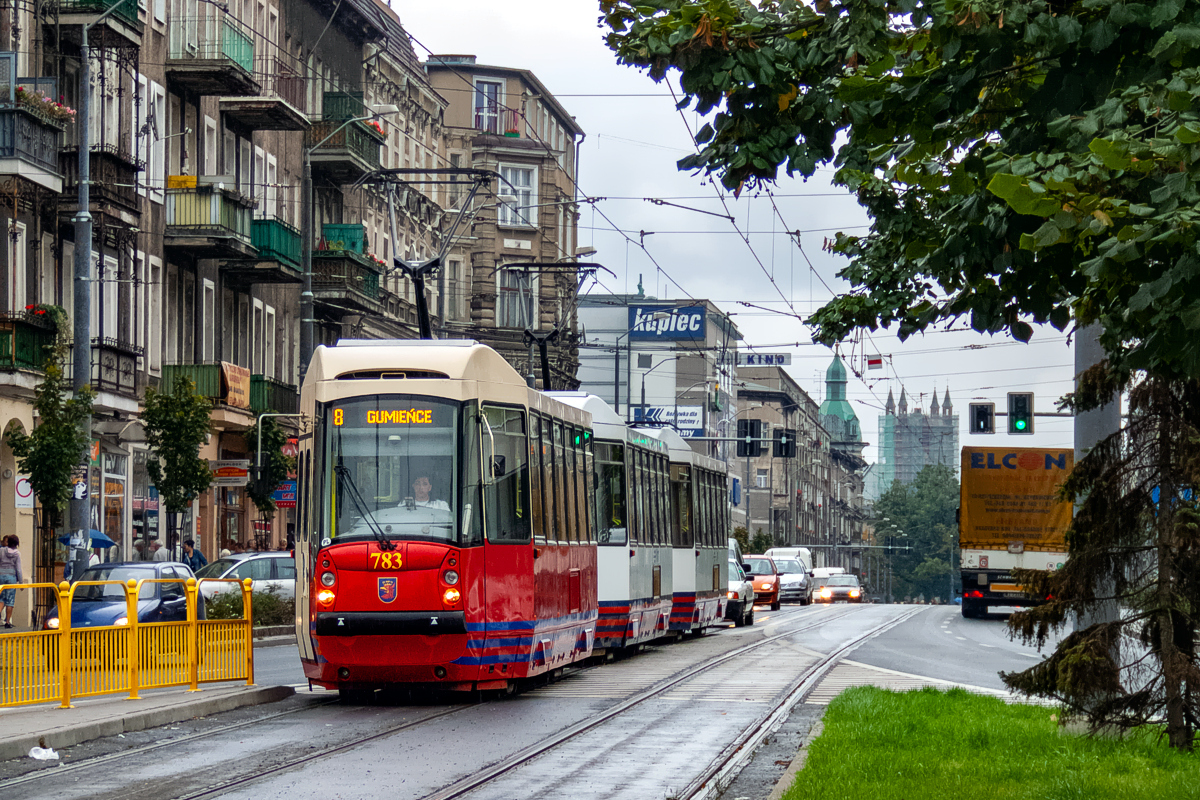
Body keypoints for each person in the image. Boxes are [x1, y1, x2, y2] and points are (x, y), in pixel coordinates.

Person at [0, 535, 24, 629]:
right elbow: (18, 569)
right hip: (11, 578)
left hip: (1, 576)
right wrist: (21, 582)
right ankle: (7, 622)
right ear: (16, 544)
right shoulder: (17, 554)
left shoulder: (1, 551)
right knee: (10, 601)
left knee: (1, 598)